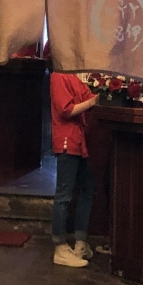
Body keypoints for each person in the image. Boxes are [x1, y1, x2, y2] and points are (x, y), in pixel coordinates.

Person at [49, 70, 99, 268]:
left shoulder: (73, 76)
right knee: (64, 195)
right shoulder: (59, 75)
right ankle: (60, 246)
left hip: (78, 141)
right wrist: (94, 101)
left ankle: (80, 242)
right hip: (67, 140)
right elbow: (66, 110)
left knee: (87, 188)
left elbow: (88, 96)